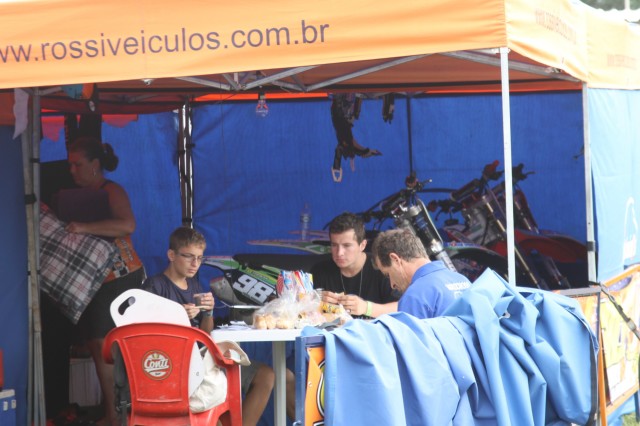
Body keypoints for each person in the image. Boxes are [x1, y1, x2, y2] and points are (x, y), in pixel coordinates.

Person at [142, 226, 274, 426]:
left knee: (265, 375)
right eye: (188, 257)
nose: (195, 264)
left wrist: (209, 312)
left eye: (200, 258)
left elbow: (205, 335)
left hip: (200, 359)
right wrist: (176, 316)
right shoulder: (155, 286)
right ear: (171, 255)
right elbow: (143, 337)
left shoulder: (194, 286)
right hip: (173, 369)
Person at [64, 136, 145, 425]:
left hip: (118, 279)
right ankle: (113, 411)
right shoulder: (76, 194)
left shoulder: (112, 191)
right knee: (98, 347)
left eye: (78, 164)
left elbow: (127, 224)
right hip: (94, 282)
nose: (72, 170)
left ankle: (115, 416)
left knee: (105, 348)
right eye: (70, 165)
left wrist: (83, 227)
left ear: (95, 165)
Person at [310, 212, 398, 318]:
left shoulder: (382, 268)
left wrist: (366, 308)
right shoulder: (320, 271)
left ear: (363, 245)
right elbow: (300, 310)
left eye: (347, 245)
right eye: (334, 245)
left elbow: (401, 308)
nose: (339, 253)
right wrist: (314, 302)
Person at [371, 228, 471, 319]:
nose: (392, 284)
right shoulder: (463, 280)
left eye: (388, 274)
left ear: (395, 259)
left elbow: (411, 338)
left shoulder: (414, 296)